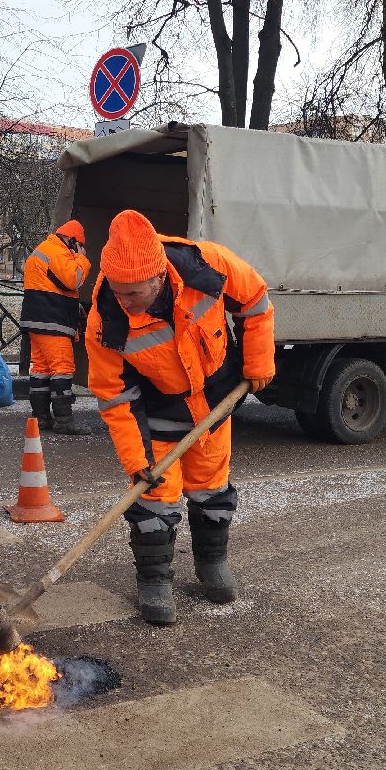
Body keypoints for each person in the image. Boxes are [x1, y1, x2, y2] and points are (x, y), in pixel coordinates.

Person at [85, 209, 276, 626]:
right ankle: (154, 580)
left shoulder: (206, 266)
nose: (124, 301)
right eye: (117, 291)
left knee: (211, 488)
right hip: (158, 414)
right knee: (154, 499)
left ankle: (212, 564)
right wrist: (137, 462)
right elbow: (114, 397)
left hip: (216, 403)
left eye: (133, 293)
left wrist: (259, 361)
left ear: (159, 277)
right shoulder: (105, 321)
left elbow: (256, 300)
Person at [19, 219, 93, 436]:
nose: (80, 251)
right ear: (71, 241)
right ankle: (64, 420)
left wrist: (72, 304)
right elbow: (73, 279)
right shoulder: (57, 251)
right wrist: (82, 258)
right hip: (52, 322)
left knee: (41, 369)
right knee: (62, 368)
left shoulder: (43, 250)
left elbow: (52, 285)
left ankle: (41, 418)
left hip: (37, 320)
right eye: (79, 246)